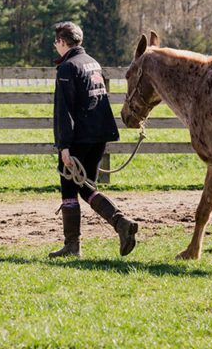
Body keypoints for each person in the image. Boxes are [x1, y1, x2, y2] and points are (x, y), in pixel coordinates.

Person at [49, 21, 139, 258]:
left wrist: (64, 146)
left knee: (70, 186)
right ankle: (120, 223)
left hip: (80, 137)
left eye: (56, 41)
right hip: (98, 135)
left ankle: (73, 245)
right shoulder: (92, 63)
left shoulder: (67, 68)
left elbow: (64, 111)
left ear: (61, 42)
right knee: (86, 186)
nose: (55, 45)